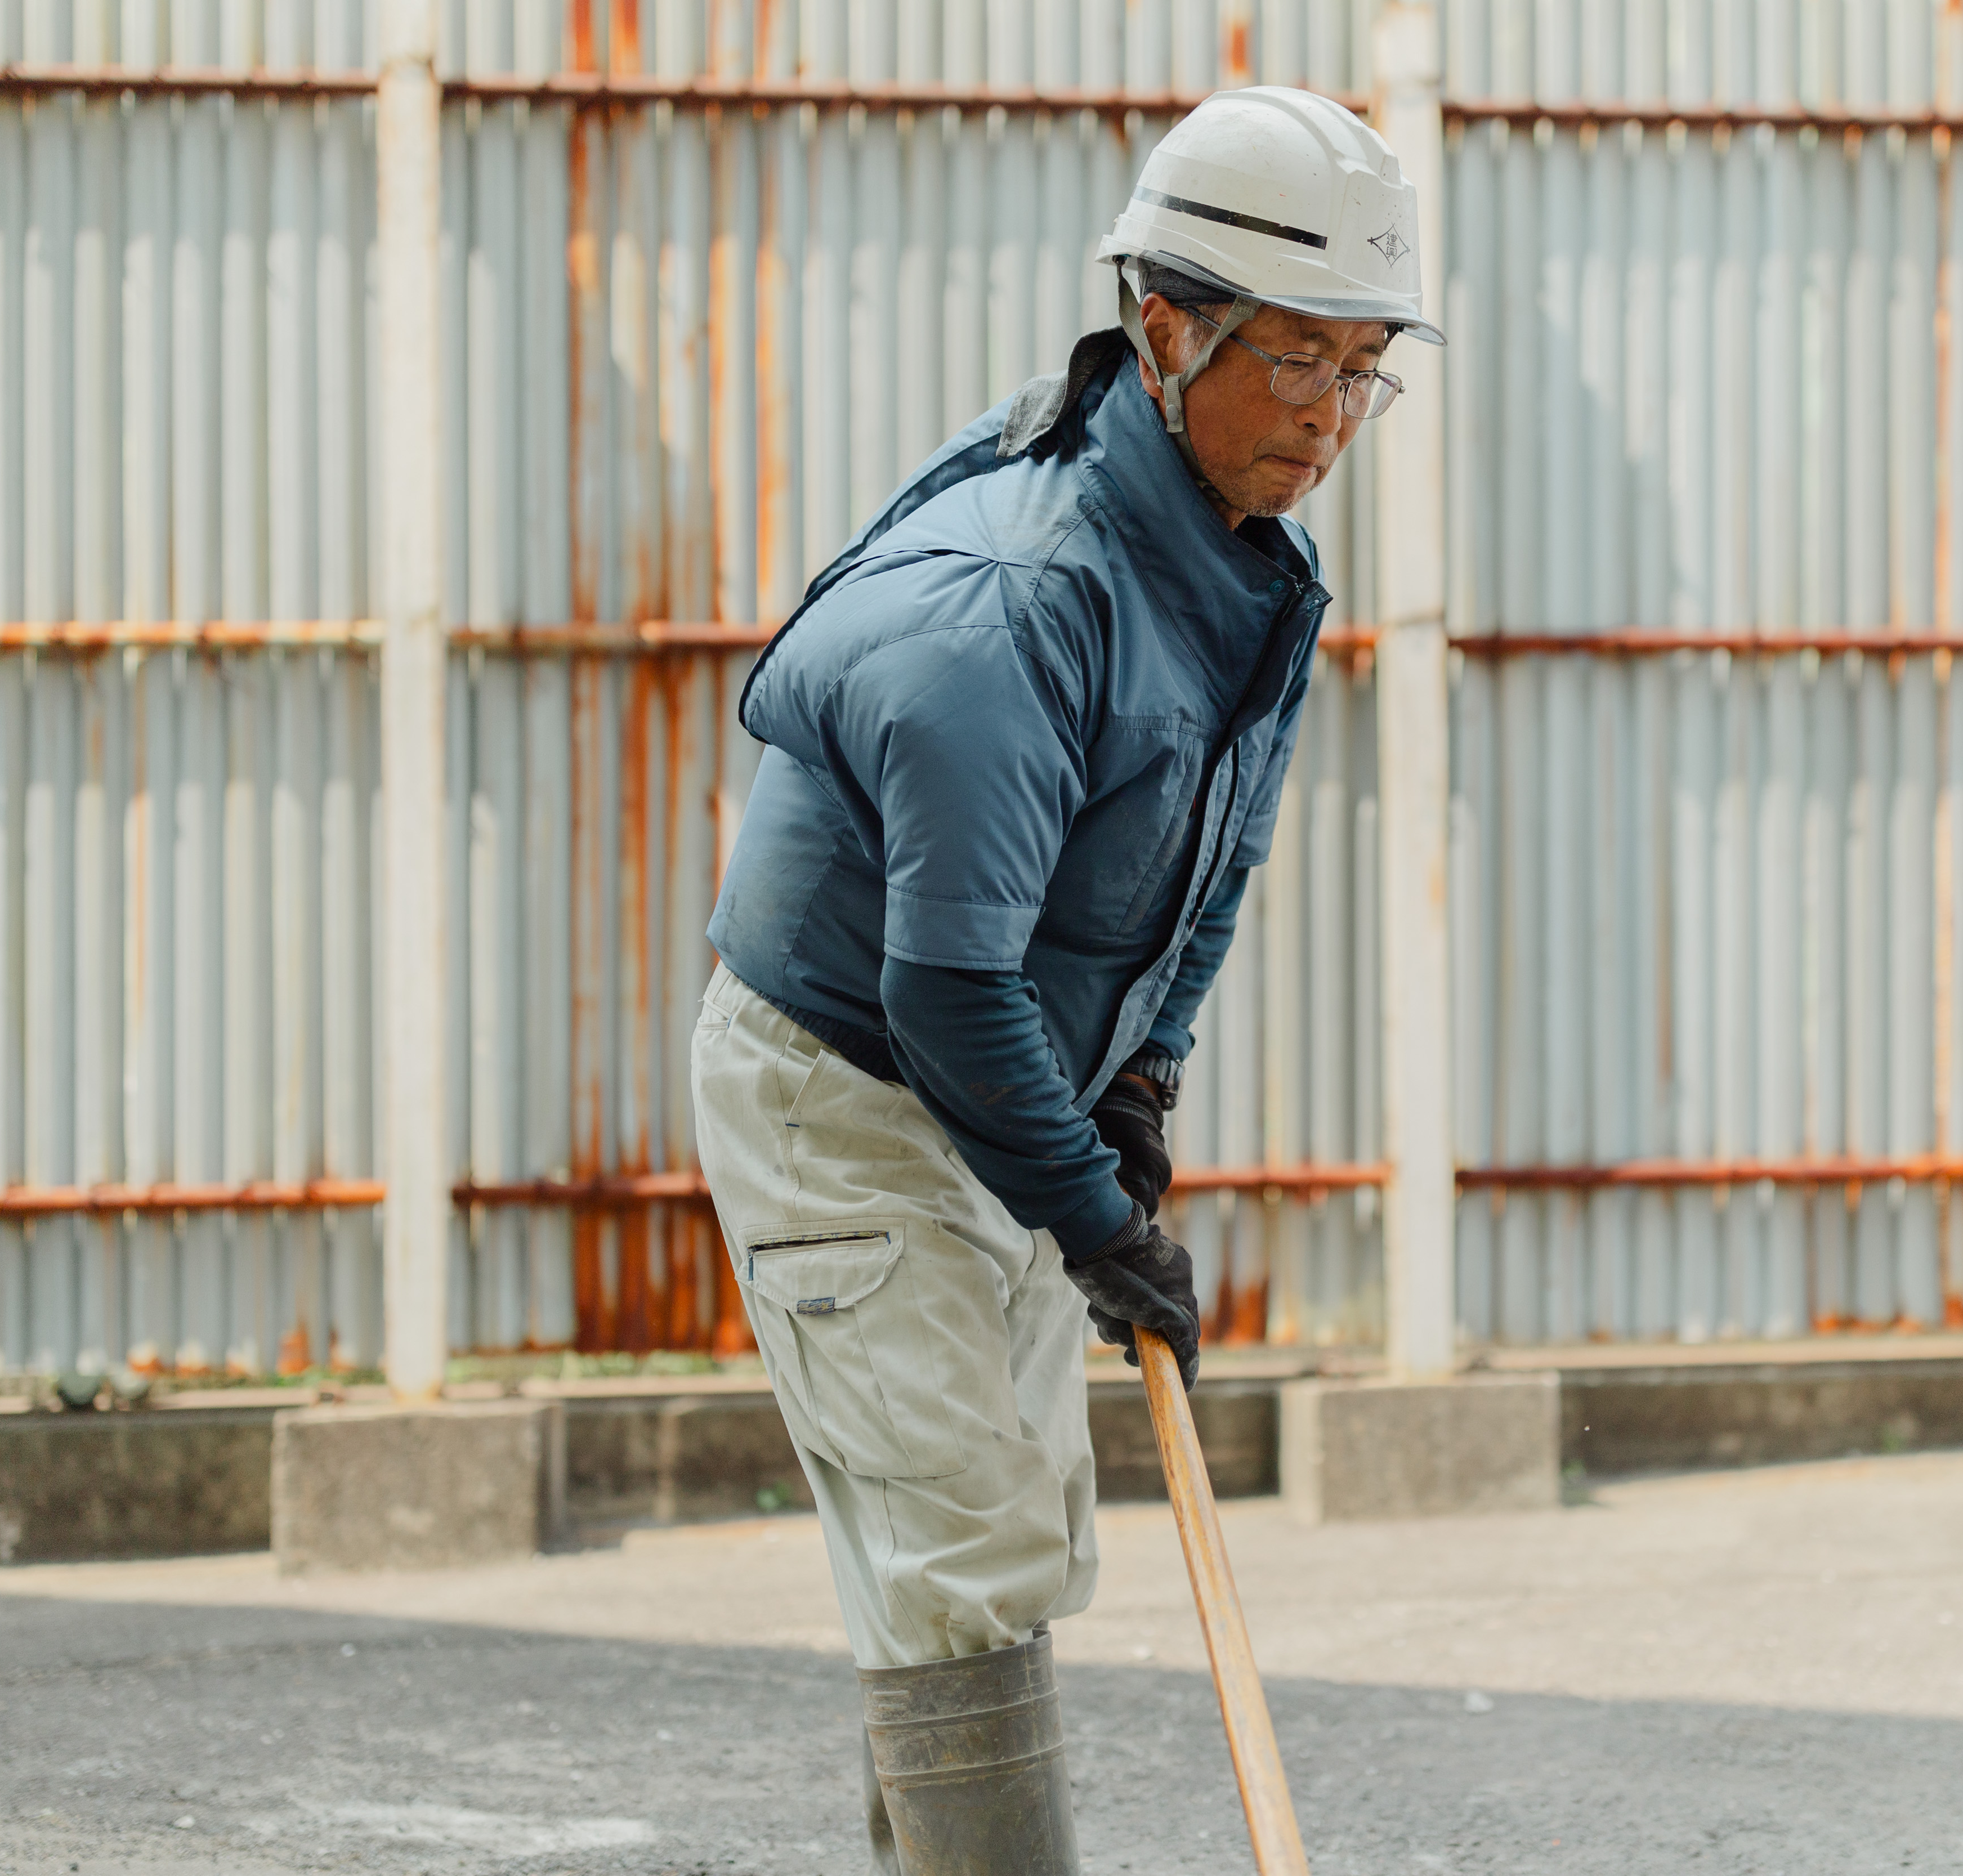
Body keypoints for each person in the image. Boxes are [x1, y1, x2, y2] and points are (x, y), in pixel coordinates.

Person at [689, 83, 1442, 1874]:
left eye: (1365, 372)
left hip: (995, 1085)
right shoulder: (1017, 600)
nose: (1334, 422)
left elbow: (1209, 868)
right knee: (963, 1557)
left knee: (998, 1542)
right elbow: (944, 982)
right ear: (1166, 329)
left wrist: (1140, 1091)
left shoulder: (1251, 573)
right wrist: (1093, 1216)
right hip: (852, 1095)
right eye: (1300, 369)